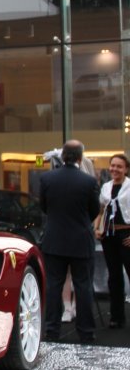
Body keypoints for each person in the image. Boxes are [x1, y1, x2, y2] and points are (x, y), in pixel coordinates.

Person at [39, 139, 101, 344]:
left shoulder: (47, 179)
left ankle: (51, 330)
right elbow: (94, 210)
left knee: (54, 286)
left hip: (55, 240)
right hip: (81, 240)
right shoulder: (88, 182)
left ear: (63, 156)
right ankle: (86, 331)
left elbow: (44, 207)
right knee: (83, 286)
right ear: (81, 157)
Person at [97, 153, 130, 329]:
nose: (115, 169)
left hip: (127, 235)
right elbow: (102, 210)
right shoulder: (106, 187)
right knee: (114, 277)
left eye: (119, 166)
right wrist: (97, 228)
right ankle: (117, 317)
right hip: (109, 236)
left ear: (126, 169)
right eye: (113, 165)